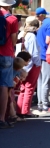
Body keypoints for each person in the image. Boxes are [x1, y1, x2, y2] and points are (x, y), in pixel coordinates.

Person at [16, 17, 41, 118]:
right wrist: (38, 64)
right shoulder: (32, 36)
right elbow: (34, 53)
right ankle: (26, 110)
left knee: (22, 88)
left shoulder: (21, 34)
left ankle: (19, 109)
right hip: (32, 65)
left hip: (21, 64)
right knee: (30, 88)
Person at [0, 0, 19, 128]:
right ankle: (1, 119)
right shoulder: (12, 19)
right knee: (4, 86)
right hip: (6, 54)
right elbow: (13, 41)